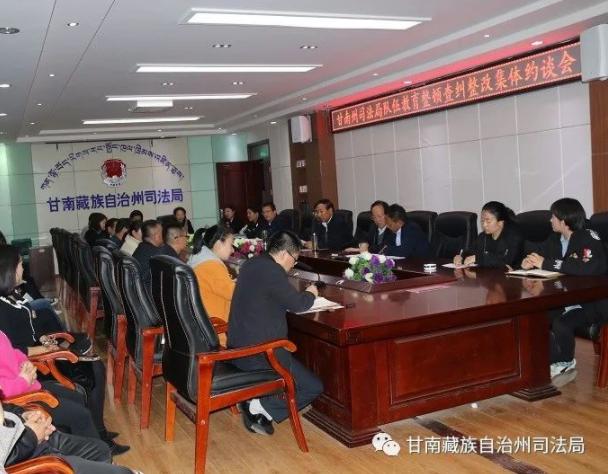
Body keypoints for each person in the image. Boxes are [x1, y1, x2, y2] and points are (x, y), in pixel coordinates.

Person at [0, 246, 129, 455]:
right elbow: (16, 348)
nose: (23, 269)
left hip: (34, 361)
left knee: (95, 366)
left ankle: (98, 433)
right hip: (38, 364)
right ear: (9, 271)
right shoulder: (2, 309)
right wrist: (42, 348)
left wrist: (43, 339)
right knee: (94, 368)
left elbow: (22, 337)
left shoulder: (12, 297)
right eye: (20, 265)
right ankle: (98, 437)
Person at [227, 231, 322, 436]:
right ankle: (257, 407)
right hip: (259, 353)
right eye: (295, 260)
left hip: (239, 344)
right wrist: (311, 293)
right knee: (313, 387)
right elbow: (299, 304)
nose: (293, 265)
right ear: (286, 254)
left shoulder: (253, 263)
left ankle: (258, 405)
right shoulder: (272, 271)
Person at [520, 198, 607, 379]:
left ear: (564, 220)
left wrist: (546, 263)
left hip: (592, 303)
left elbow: (587, 268)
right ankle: (552, 359)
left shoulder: (587, 236)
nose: (550, 220)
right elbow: (540, 256)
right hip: (568, 298)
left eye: (553, 217)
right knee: (537, 318)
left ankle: (565, 361)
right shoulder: (555, 238)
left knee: (562, 323)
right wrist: (530, 261)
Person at [3, 403, 140, 474]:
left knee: (100, 449)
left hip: (29, 438)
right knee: (124, 473)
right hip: (25, 457)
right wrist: (32, 435)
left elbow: (6, 407)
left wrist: (24, 414)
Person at [453, 201, 524, 268]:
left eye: (488, 221)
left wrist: (479, 258)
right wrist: (461, 257)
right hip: (487, 275)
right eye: (482, 221)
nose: (484, 225)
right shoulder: (482, 237)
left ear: (501, 222)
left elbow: (507, 261)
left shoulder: (513, 238)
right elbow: (470, 253)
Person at [188, 225, 235, 323]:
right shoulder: (211, 265)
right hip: (218, 325)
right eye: (231, 245)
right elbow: (234, 294)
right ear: (218, 244)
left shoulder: (201, 258)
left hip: (204, 319)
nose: (232, 250)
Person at [133, 220, 171, 290]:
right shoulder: (159, 255)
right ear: (157, 236)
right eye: (162, 233)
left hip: (140, 291)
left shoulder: (141, 248)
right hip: (151, 293)